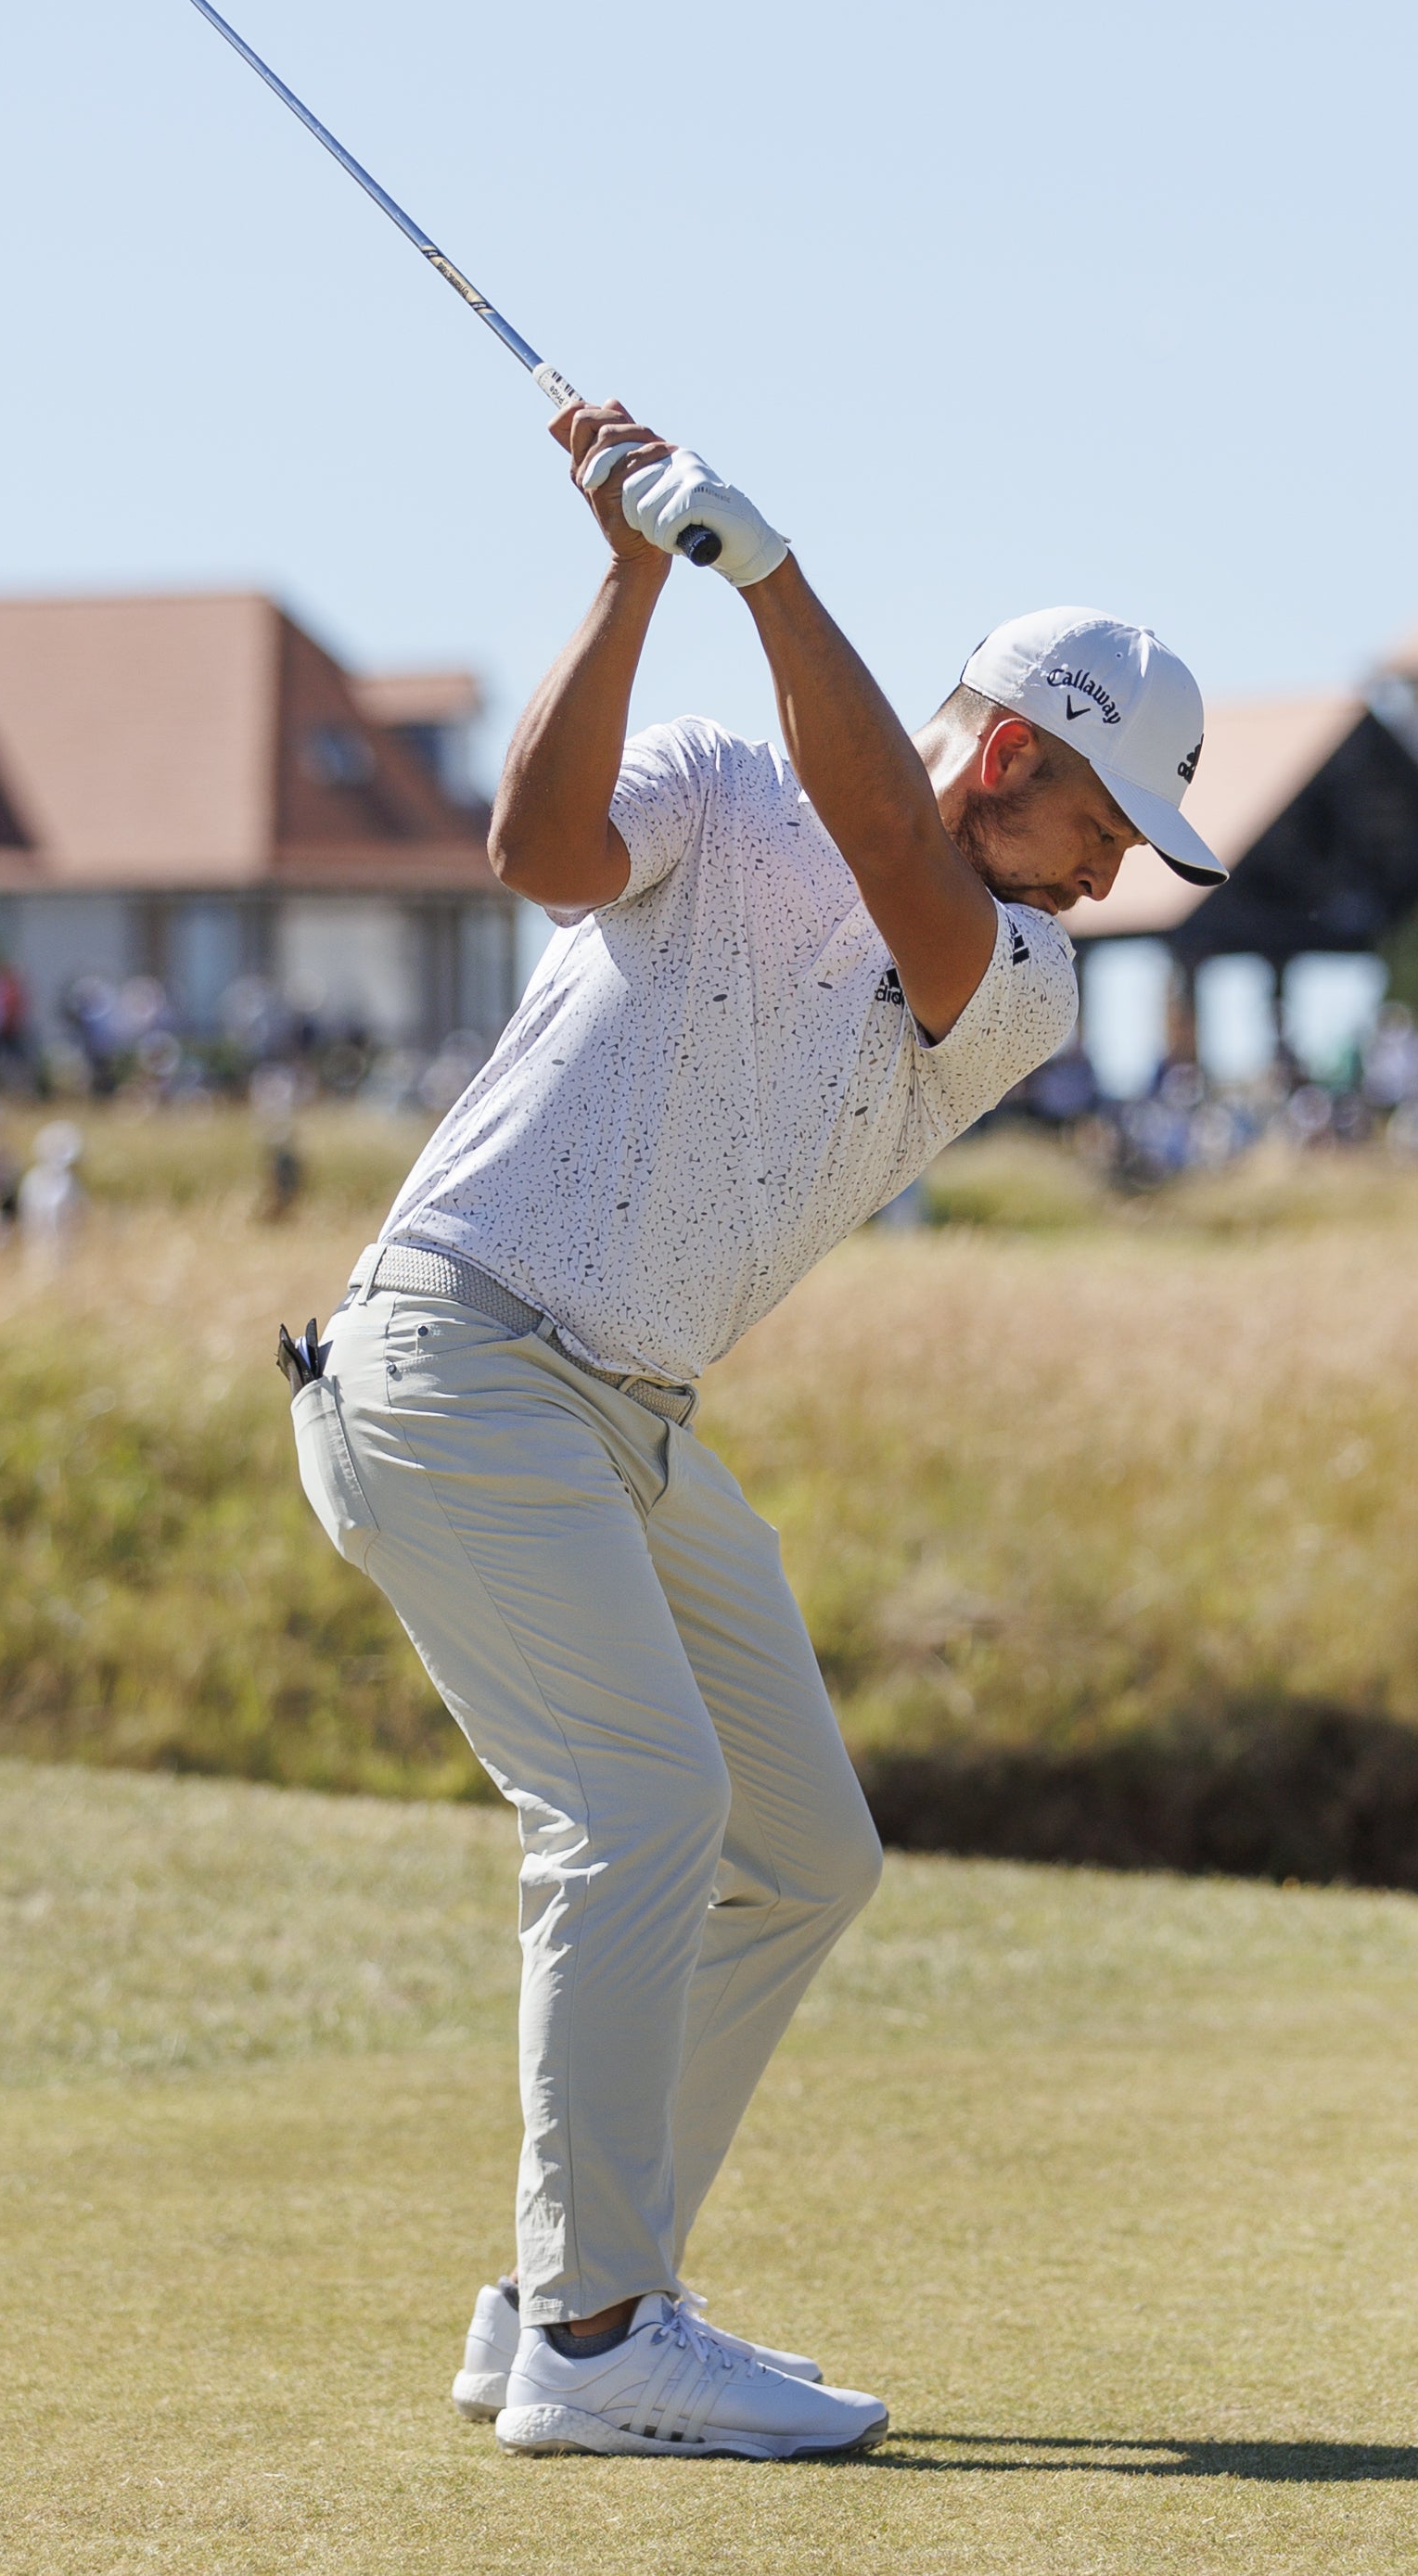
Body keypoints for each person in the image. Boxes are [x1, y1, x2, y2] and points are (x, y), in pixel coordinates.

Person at [288, 399, 1224, 2463]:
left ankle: (560, 2282)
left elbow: (891, 842)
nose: (1114, 872)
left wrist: (763, 566)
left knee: (799, 1847)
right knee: (634, 1817)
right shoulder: (716, 787)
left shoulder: (1023, 978)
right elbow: (531, 851)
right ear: (1016, 753)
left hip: (623, 1416)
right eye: (1106, 822)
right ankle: (602, 2339)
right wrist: (641, 572)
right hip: (456, 1361)